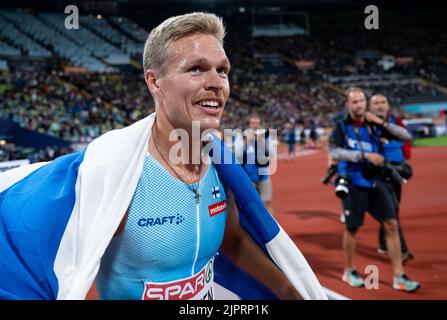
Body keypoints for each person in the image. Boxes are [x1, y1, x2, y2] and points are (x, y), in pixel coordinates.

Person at [0, 12, 328, 300]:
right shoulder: (116, 174)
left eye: (223, 70)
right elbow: (26, 240)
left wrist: (288, 291)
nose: (216, 83)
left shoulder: (220, 163)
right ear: (154, 82)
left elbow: (232, 239)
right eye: (197, 69)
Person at [329, 87, 420, 292]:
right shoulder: (341, 127)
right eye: (354, 102)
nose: (359, 104)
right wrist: (364, 156)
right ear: (348, 105)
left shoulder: (373, 125)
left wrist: (381, 122)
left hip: (374, 181)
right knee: (352, 229)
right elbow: (335, 151)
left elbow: (405, 136)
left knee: (391, 223)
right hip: (353, 182)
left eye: (361, 100)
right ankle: (349, 270)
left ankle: (399, 276)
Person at [369, 94, 414, 264]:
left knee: (394, 210)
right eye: (376, 103)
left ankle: (383, 243)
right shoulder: (367, 125)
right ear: (370, 107)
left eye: (383, 102)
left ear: (388, 105)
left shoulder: (395, 120)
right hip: (380, 172)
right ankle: (402, 250)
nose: (380, 106)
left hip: (397, 170)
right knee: (392, 210)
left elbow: (406, 138)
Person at [239, 113, 276, 216]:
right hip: (249, 176)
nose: (255, 125)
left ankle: (272, 227)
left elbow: (272, 154)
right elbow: (237, 155)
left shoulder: (264, 136)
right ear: (248, 125)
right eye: (253, 123)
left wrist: (262, 142)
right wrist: (246, 141)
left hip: (264, 175)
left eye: (257, 123)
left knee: (267, 202)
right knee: (252, 205)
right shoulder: (242, 136)